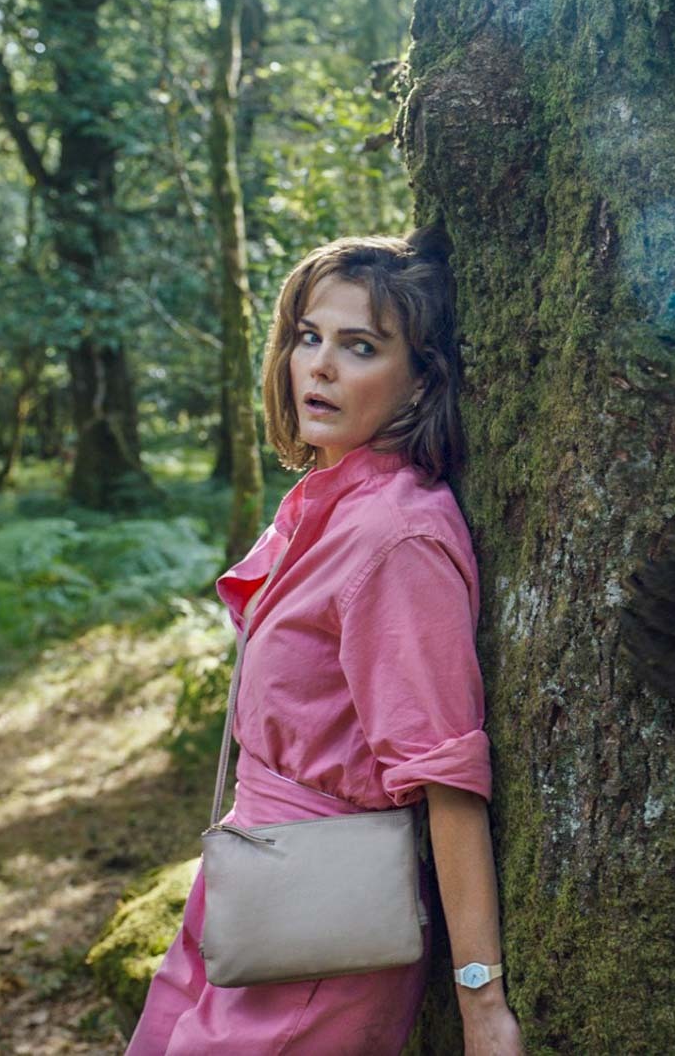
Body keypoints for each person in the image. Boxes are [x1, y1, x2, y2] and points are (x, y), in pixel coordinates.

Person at [127, 226, 523, 1055]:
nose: (320, 366)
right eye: (309, 337)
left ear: (421, 379)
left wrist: (481, 1005)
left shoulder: (396, 538)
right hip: (251, 883)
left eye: (361, 346)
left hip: (322, 928)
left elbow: (448, 779)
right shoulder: (327, 500)